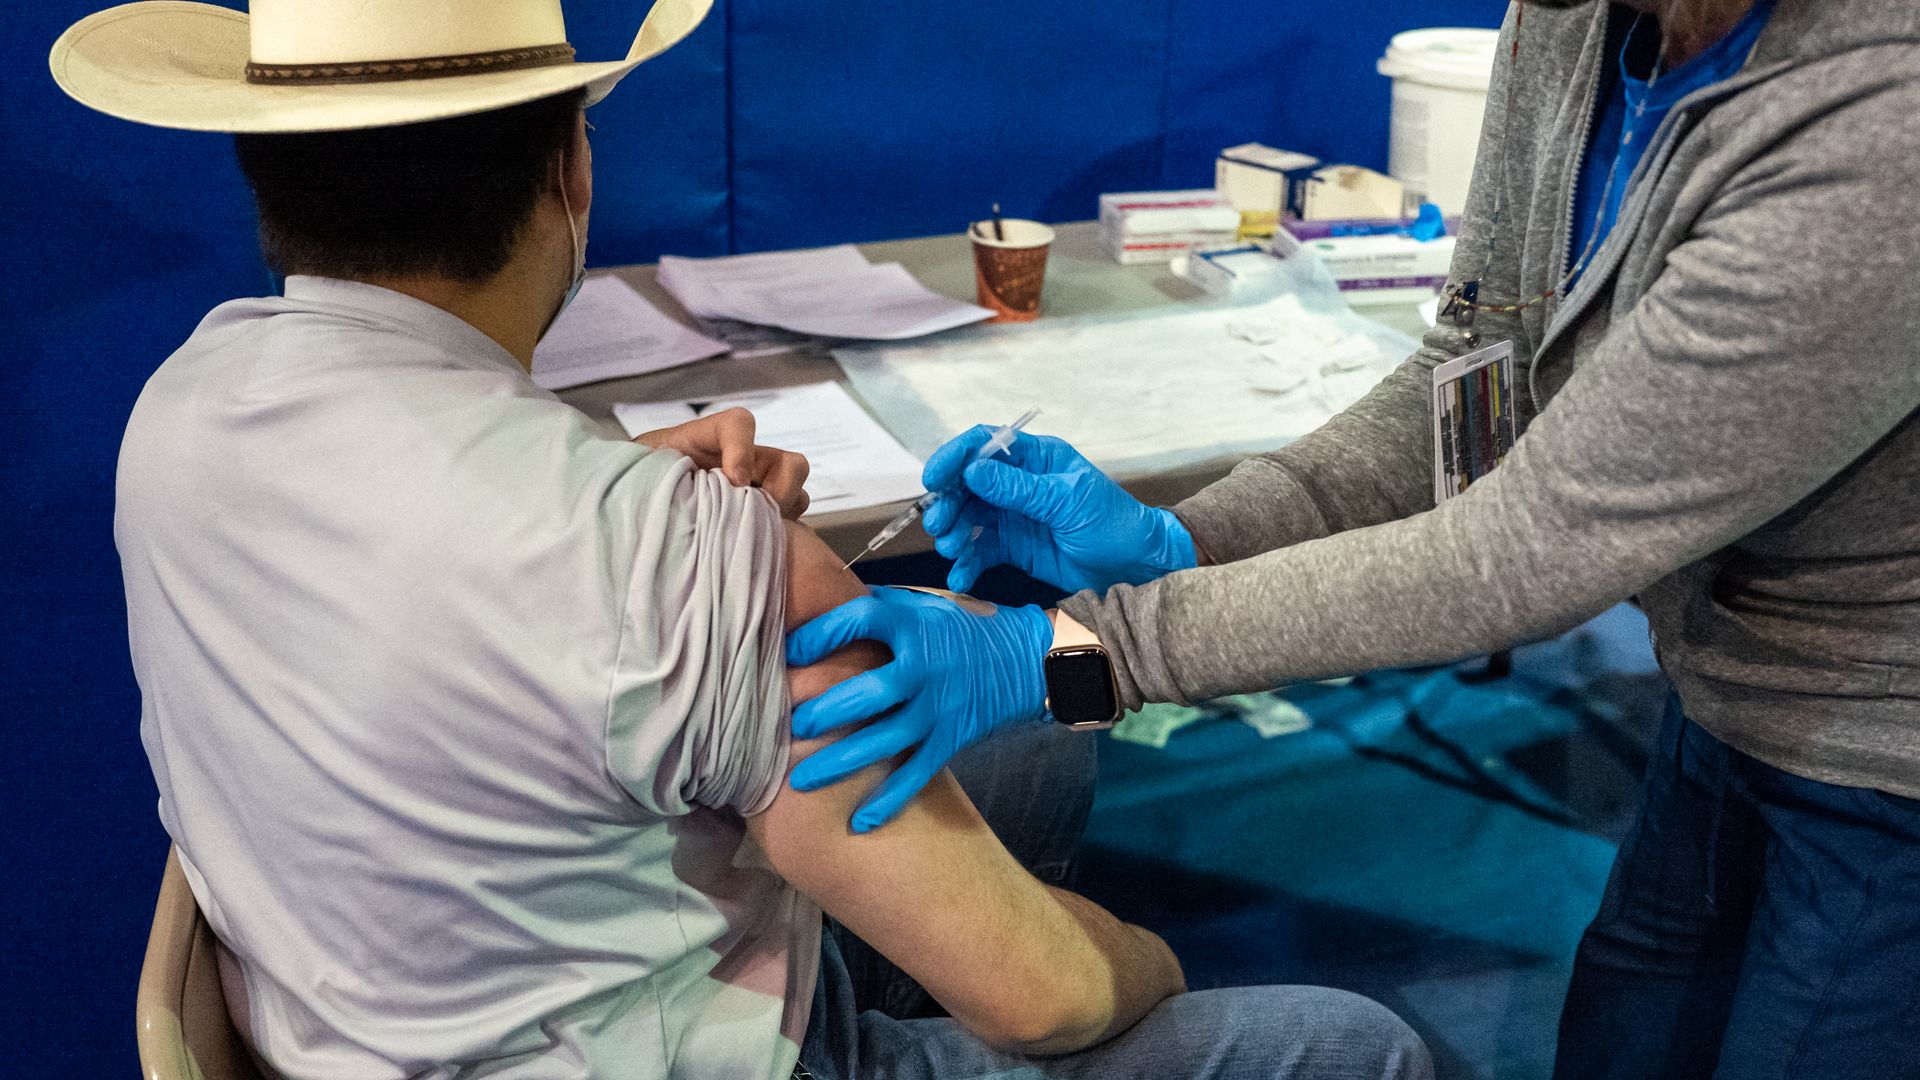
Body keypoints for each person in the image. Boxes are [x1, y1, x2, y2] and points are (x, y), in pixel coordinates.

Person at [58, 1, 1436, 1077]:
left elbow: (404, 550)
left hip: (355, 1019)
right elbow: (1049, 998)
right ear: (567, 168)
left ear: (265, 173)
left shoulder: (187, 401)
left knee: (1031, 770)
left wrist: (616, 483)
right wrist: (1148, 969)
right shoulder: (680, 552)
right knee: (1348, 1045)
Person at [789, 0, 1920, 1076]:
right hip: (1729, 681)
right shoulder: (1581, 23)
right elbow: (1477, 379)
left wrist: (1077, 659)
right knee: (1636, 1021)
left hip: (1886, 743)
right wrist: (1187, 544)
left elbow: (1524, 553)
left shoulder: (1878, 118)